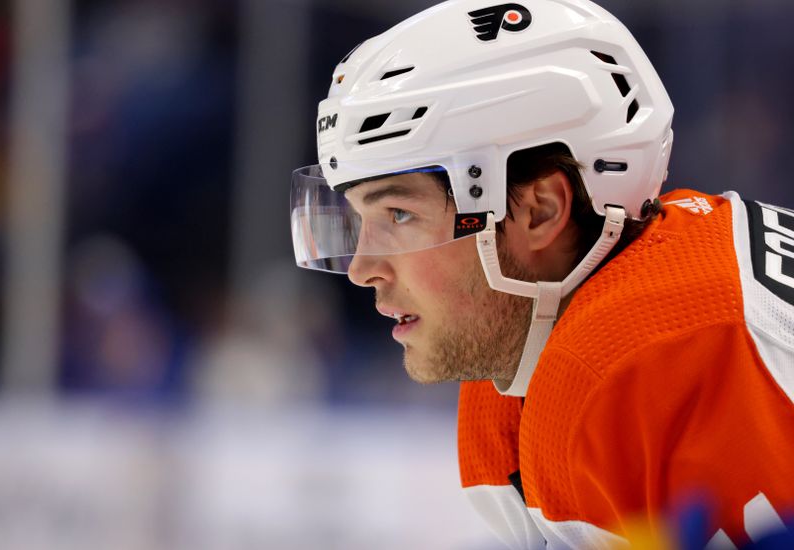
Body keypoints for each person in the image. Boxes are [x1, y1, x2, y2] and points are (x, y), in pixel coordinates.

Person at [289, 0, 794, 547]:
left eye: (399, 215)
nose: (362, 268)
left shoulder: (655, 355)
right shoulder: (517, 377)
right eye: (360, 219)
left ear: (539, 212)